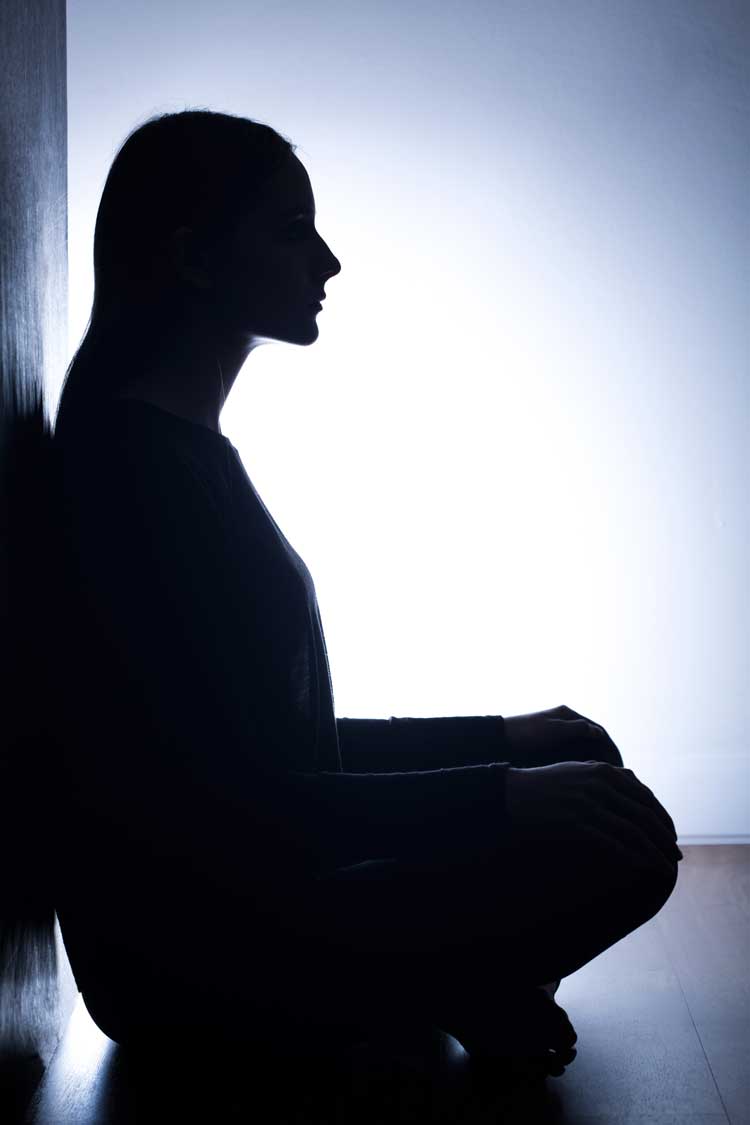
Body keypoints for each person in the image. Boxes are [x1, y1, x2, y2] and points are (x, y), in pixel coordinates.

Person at [49, 109, 681, 1087]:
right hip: (196, 961)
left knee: (580, 756)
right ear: (196, 259)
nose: (330, 261)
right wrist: (499, 792)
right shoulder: (138, 479)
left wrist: (504, 738)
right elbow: (230, 806)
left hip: (258, 892)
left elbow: (273, 747)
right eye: (293, 229)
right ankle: (446, 986)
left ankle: (452, 982)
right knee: (626, 843)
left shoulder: (175, 448)